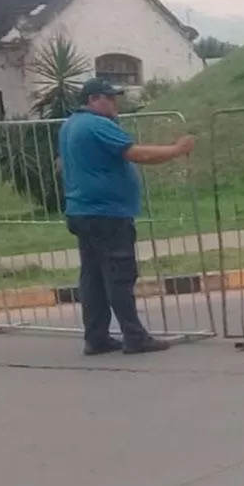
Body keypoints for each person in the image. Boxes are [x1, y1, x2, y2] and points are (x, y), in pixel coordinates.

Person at [59, 78, 195, 356]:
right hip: (106, 213)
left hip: (81, 210)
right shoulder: (98, 125)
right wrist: (176, 150)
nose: (115, 103)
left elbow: (60, 165)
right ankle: (134, 336)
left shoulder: (69, 125)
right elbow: (137, 153)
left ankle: (96, 337)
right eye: (111, 98)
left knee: (93, 277)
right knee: (119, 275)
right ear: (95, 99)